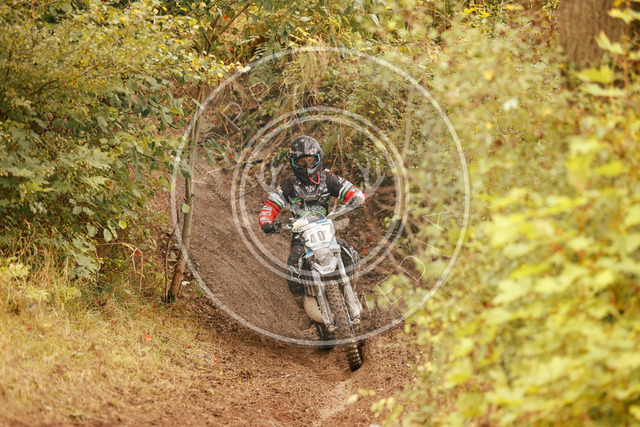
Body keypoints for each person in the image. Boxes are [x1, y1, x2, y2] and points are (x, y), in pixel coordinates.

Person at [258, 135, 366, 329]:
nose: (307, 165)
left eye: (310, 160)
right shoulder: (287, 186)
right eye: (301, 162)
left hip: (327, 233)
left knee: (351, 254)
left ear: (318, 159)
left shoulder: (328, 179)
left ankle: (352, 290)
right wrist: (267, 222)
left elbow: (352, 190)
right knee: (293, 266)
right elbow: (270, 205)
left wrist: (357, 198)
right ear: (294, 163)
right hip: (301, 236)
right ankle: (302, 310)